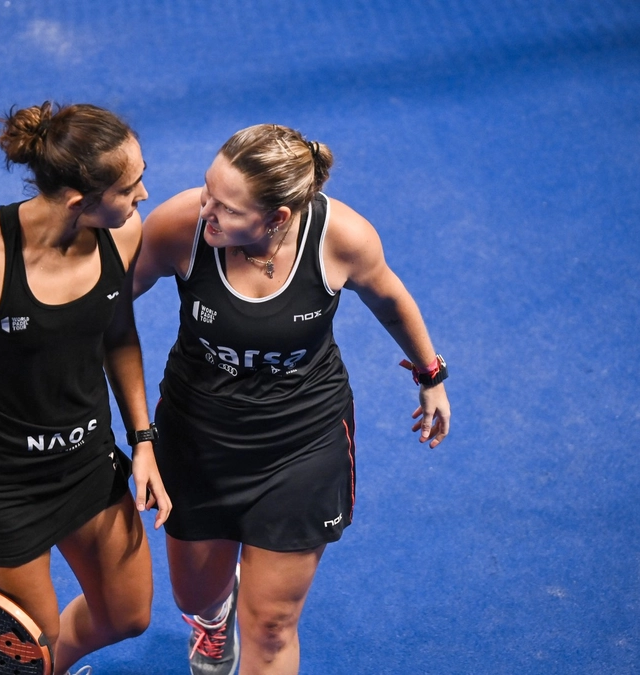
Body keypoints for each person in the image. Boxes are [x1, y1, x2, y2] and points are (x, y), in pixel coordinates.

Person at [134, 124, 451, 675]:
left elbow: (391, 298)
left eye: (227, 209)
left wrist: (430, 373)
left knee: (273, 626)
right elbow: (102, 306)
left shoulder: (342, 237)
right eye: (207, 189)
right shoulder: (181, 226)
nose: (206, 210)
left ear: (278, 217)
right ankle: (211, 624)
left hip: (301, 444)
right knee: (195, 597)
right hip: (196, 436)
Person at [0, 101, 171, 675]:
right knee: (31, 648)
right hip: (3, 489)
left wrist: (143, 438)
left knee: (128, 615)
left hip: (89, 463)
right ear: (79, 201)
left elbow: (118, 333)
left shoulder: (121, 234)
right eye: (130, 186)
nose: (142, 195)